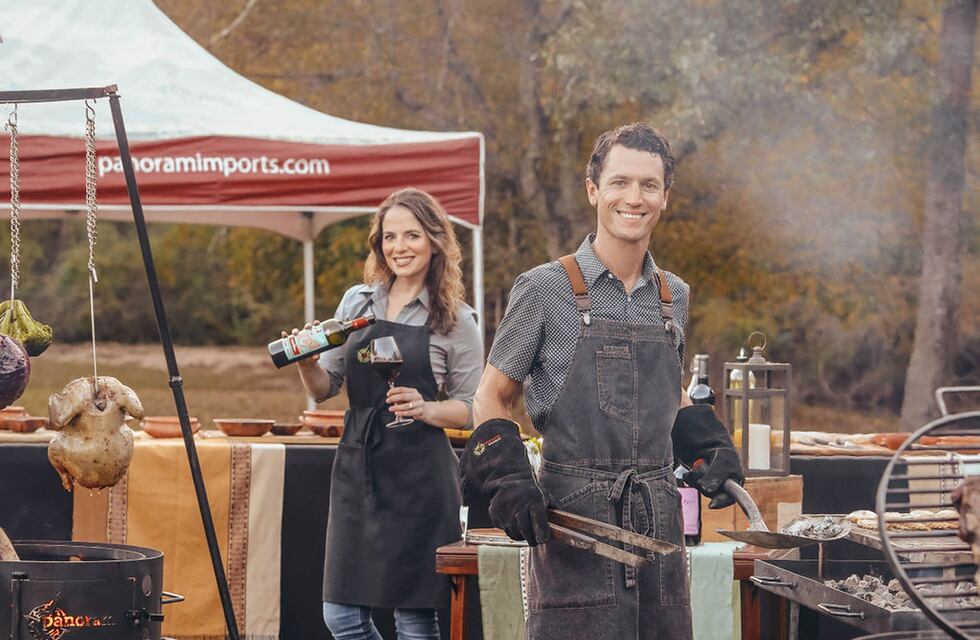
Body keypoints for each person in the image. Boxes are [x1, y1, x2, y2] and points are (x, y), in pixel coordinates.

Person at [460, 123, 743, 640]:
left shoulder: (672, 295)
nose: (633, 198)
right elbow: (491, 395)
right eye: (619, 182)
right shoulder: (544, 288)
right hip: (573, 528)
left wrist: (704, 441)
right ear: (594, 190)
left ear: (665, 198)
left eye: (649, 185)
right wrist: (507, 478)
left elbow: (666, 394)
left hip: (659, 526)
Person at [292, 188, 483, 640]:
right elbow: (325, 387)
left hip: (420, 478)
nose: (400, 247)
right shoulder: (357, 303)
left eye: (412, 235)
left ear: (435, 241)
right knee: (341, 617)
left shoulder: (456, 319)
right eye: (390, 237)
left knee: (413, 618)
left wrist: (426, 407)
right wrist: (306, 362)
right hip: (358, 465)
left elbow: (474, 408)